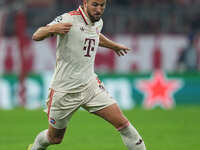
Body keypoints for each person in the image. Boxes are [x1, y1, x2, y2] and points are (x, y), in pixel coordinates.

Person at [28, 0, 146, 150]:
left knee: (123, 124)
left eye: (102, 5)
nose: (99, 9)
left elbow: (94, 35)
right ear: (85, 3)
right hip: (65, 91)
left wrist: (114, 46)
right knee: (54, 138)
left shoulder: (98, 22)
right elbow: (36, 35)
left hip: (90, 86)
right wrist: (52, 29)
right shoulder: (68, 19)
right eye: (95, 5)